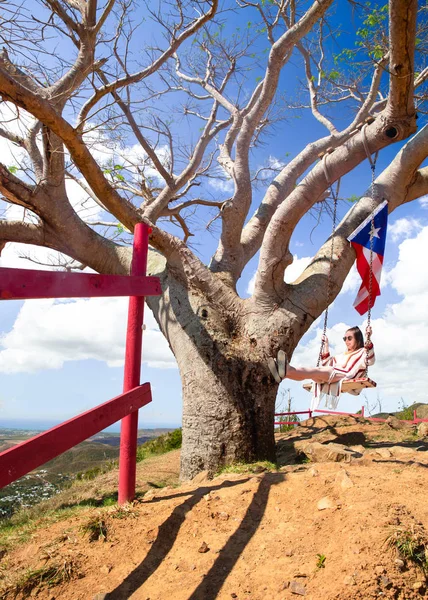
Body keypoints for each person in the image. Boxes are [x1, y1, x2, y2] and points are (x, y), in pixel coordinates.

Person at [267, 326, 375, 410]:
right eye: (345, 338)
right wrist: (326, 345)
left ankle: (286, 369)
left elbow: (370, 360)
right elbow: (326, 363)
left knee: (316, 370)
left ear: (358, 339)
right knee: (311, 373)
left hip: (345, 376)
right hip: (334, 374)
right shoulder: (342, 355)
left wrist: (368, 337)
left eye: (349, 338)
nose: (346, 341)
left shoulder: (362, 352)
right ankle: (284, 374)